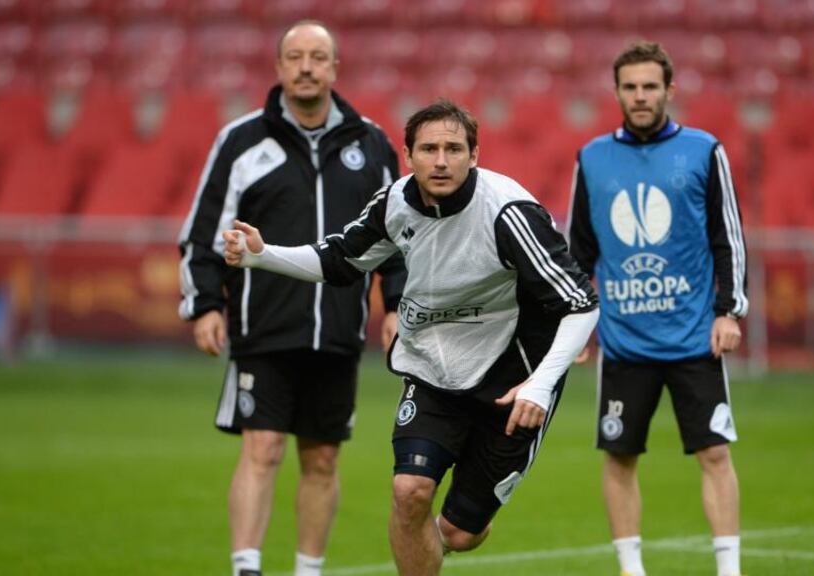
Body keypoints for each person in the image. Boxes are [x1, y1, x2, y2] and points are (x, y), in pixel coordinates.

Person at [223, 99, 600, 576]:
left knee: (462, 534)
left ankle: (463, 523)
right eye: (428, 149)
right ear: (408, 155)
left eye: (453, 149)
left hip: (513, 382)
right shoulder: (395, 202)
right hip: (430, 371)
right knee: (409, 492)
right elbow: (340, 259)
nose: (440, 160)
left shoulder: (510, 213)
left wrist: (542, 385)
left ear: (474, 155)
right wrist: (263, 255)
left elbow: (581, 304)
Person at [177, 21, 406, 576]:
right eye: (295, 57)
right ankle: (246, 567)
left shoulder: (371, 144)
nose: (306, 66)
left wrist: (396, 303)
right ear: (278, 69)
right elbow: (204, 231)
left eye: (317, 57)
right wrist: (206, 303)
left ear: (334, 69)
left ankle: (308, 570)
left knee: (323, 458)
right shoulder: (241, 141)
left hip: (337, 329)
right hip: (263, 325)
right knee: (263, 448)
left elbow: (398, 237)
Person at [566, 42, 749, 576]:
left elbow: (727, 238)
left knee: (714, 454)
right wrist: (577, 327)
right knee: (620, 457)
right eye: (630, 87)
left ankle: (729, 570)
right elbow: (579, 251)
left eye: (650, 87)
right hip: (625, 343)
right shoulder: (592, 158)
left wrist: (728, 310)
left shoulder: (704, 150)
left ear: (669, 90)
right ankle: (631, 570)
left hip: (695, 337)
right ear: (617, 91)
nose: (640, 96)